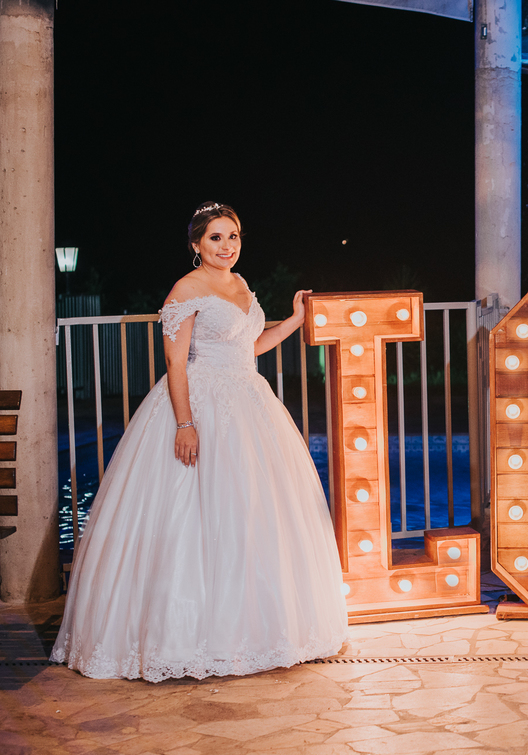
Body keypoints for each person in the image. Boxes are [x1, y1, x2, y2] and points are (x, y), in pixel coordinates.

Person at [52, 202, 349, 681]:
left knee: (252, 512)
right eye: (215, 237)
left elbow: (249, 348)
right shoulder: (186, 289)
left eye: (233, 236)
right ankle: (185, 637)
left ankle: (257, 631)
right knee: (192, 513)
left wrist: (295, 319)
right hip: (201, 403)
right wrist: (185, 424)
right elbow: (175, 362)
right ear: (196, 244)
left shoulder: (241, 283)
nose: (226, 246)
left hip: (250, 401)